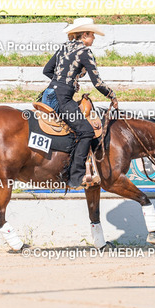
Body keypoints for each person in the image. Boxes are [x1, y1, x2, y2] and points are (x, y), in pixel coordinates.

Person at [42, 18, 118, 188]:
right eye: (92, 35)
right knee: (86, 132)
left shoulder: (63, 47)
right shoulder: (85, 52)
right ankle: (76, 177)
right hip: (62, 99)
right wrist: (112, 95)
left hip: (47, 95)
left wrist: (64, 81)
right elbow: (97, 83)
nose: (94, 38)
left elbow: (47, 70)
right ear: (84, 35)